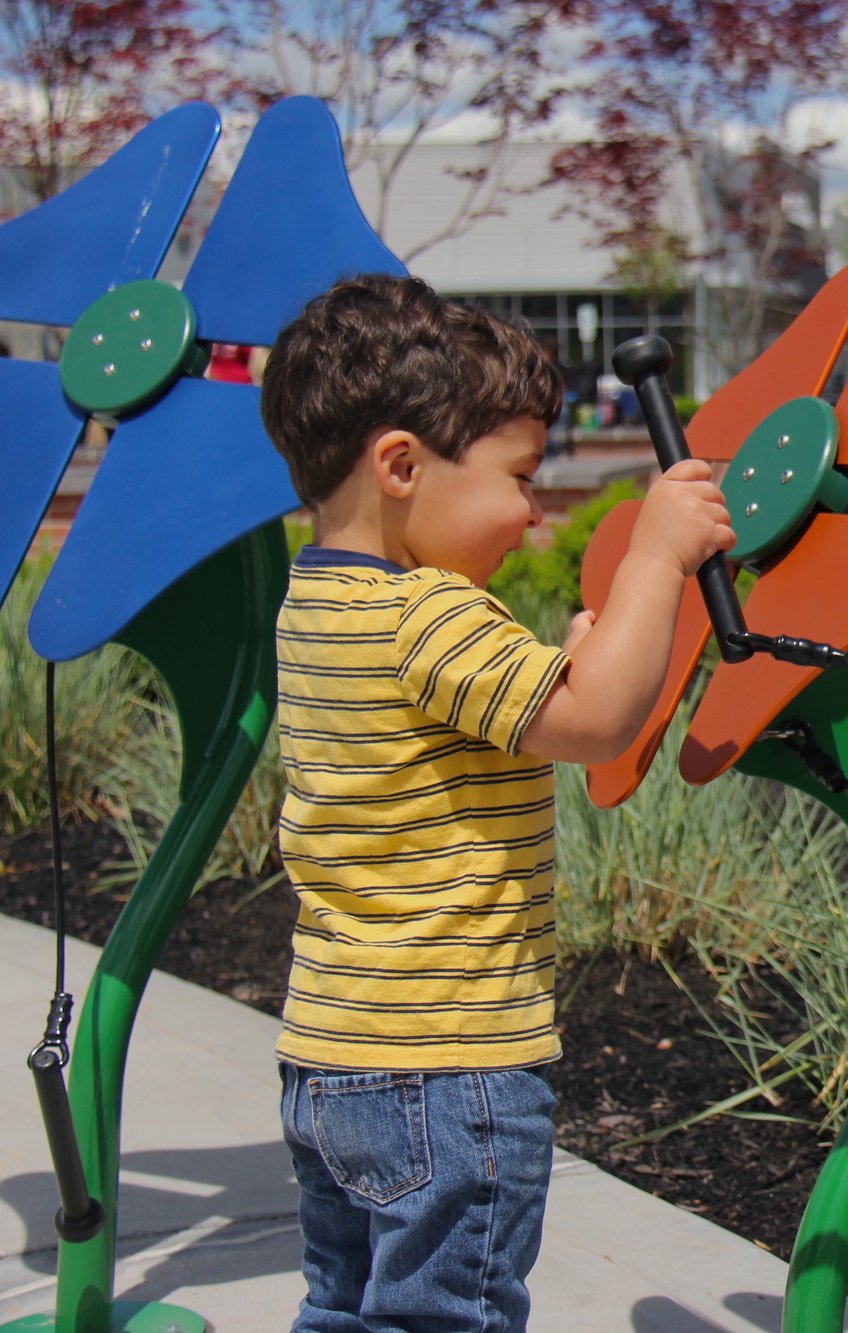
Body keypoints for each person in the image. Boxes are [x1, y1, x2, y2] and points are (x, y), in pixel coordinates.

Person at [257, 273, 734, 1333]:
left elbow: (500, 715)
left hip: (332, 1055)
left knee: (344, 1309)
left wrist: (570, 661)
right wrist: (657, 553)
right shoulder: (426, 613)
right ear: (399, 465)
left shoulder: (317, 603)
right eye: (519, 475)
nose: (529, 509)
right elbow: (597, 720)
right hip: (447, 1064)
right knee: (444, 1318)